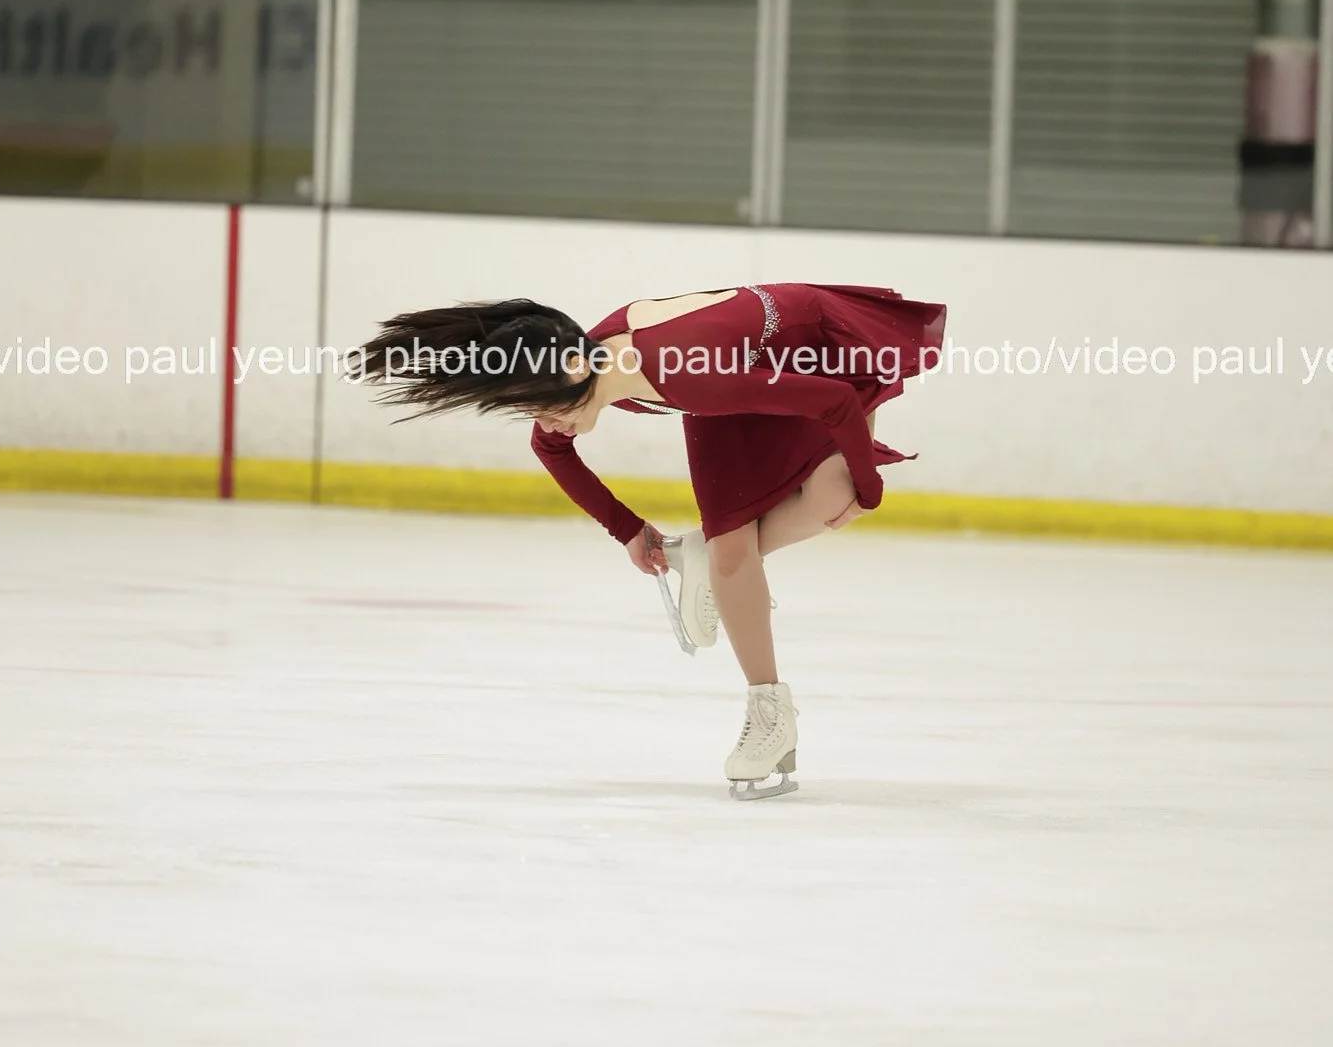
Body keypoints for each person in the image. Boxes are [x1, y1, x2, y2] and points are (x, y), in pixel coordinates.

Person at [359, 283, 945, 800]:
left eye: (545, 407)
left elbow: (835, 401)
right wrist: (629, 529)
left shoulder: (679, 371)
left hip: (810, 346)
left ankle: (705, 555)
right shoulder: (582, 359)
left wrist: (870, 490)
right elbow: (550, 447)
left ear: (573, 369)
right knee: (733, 547)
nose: (548, 421)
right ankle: (770, 711)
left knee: (835, 497)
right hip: (728, 379)